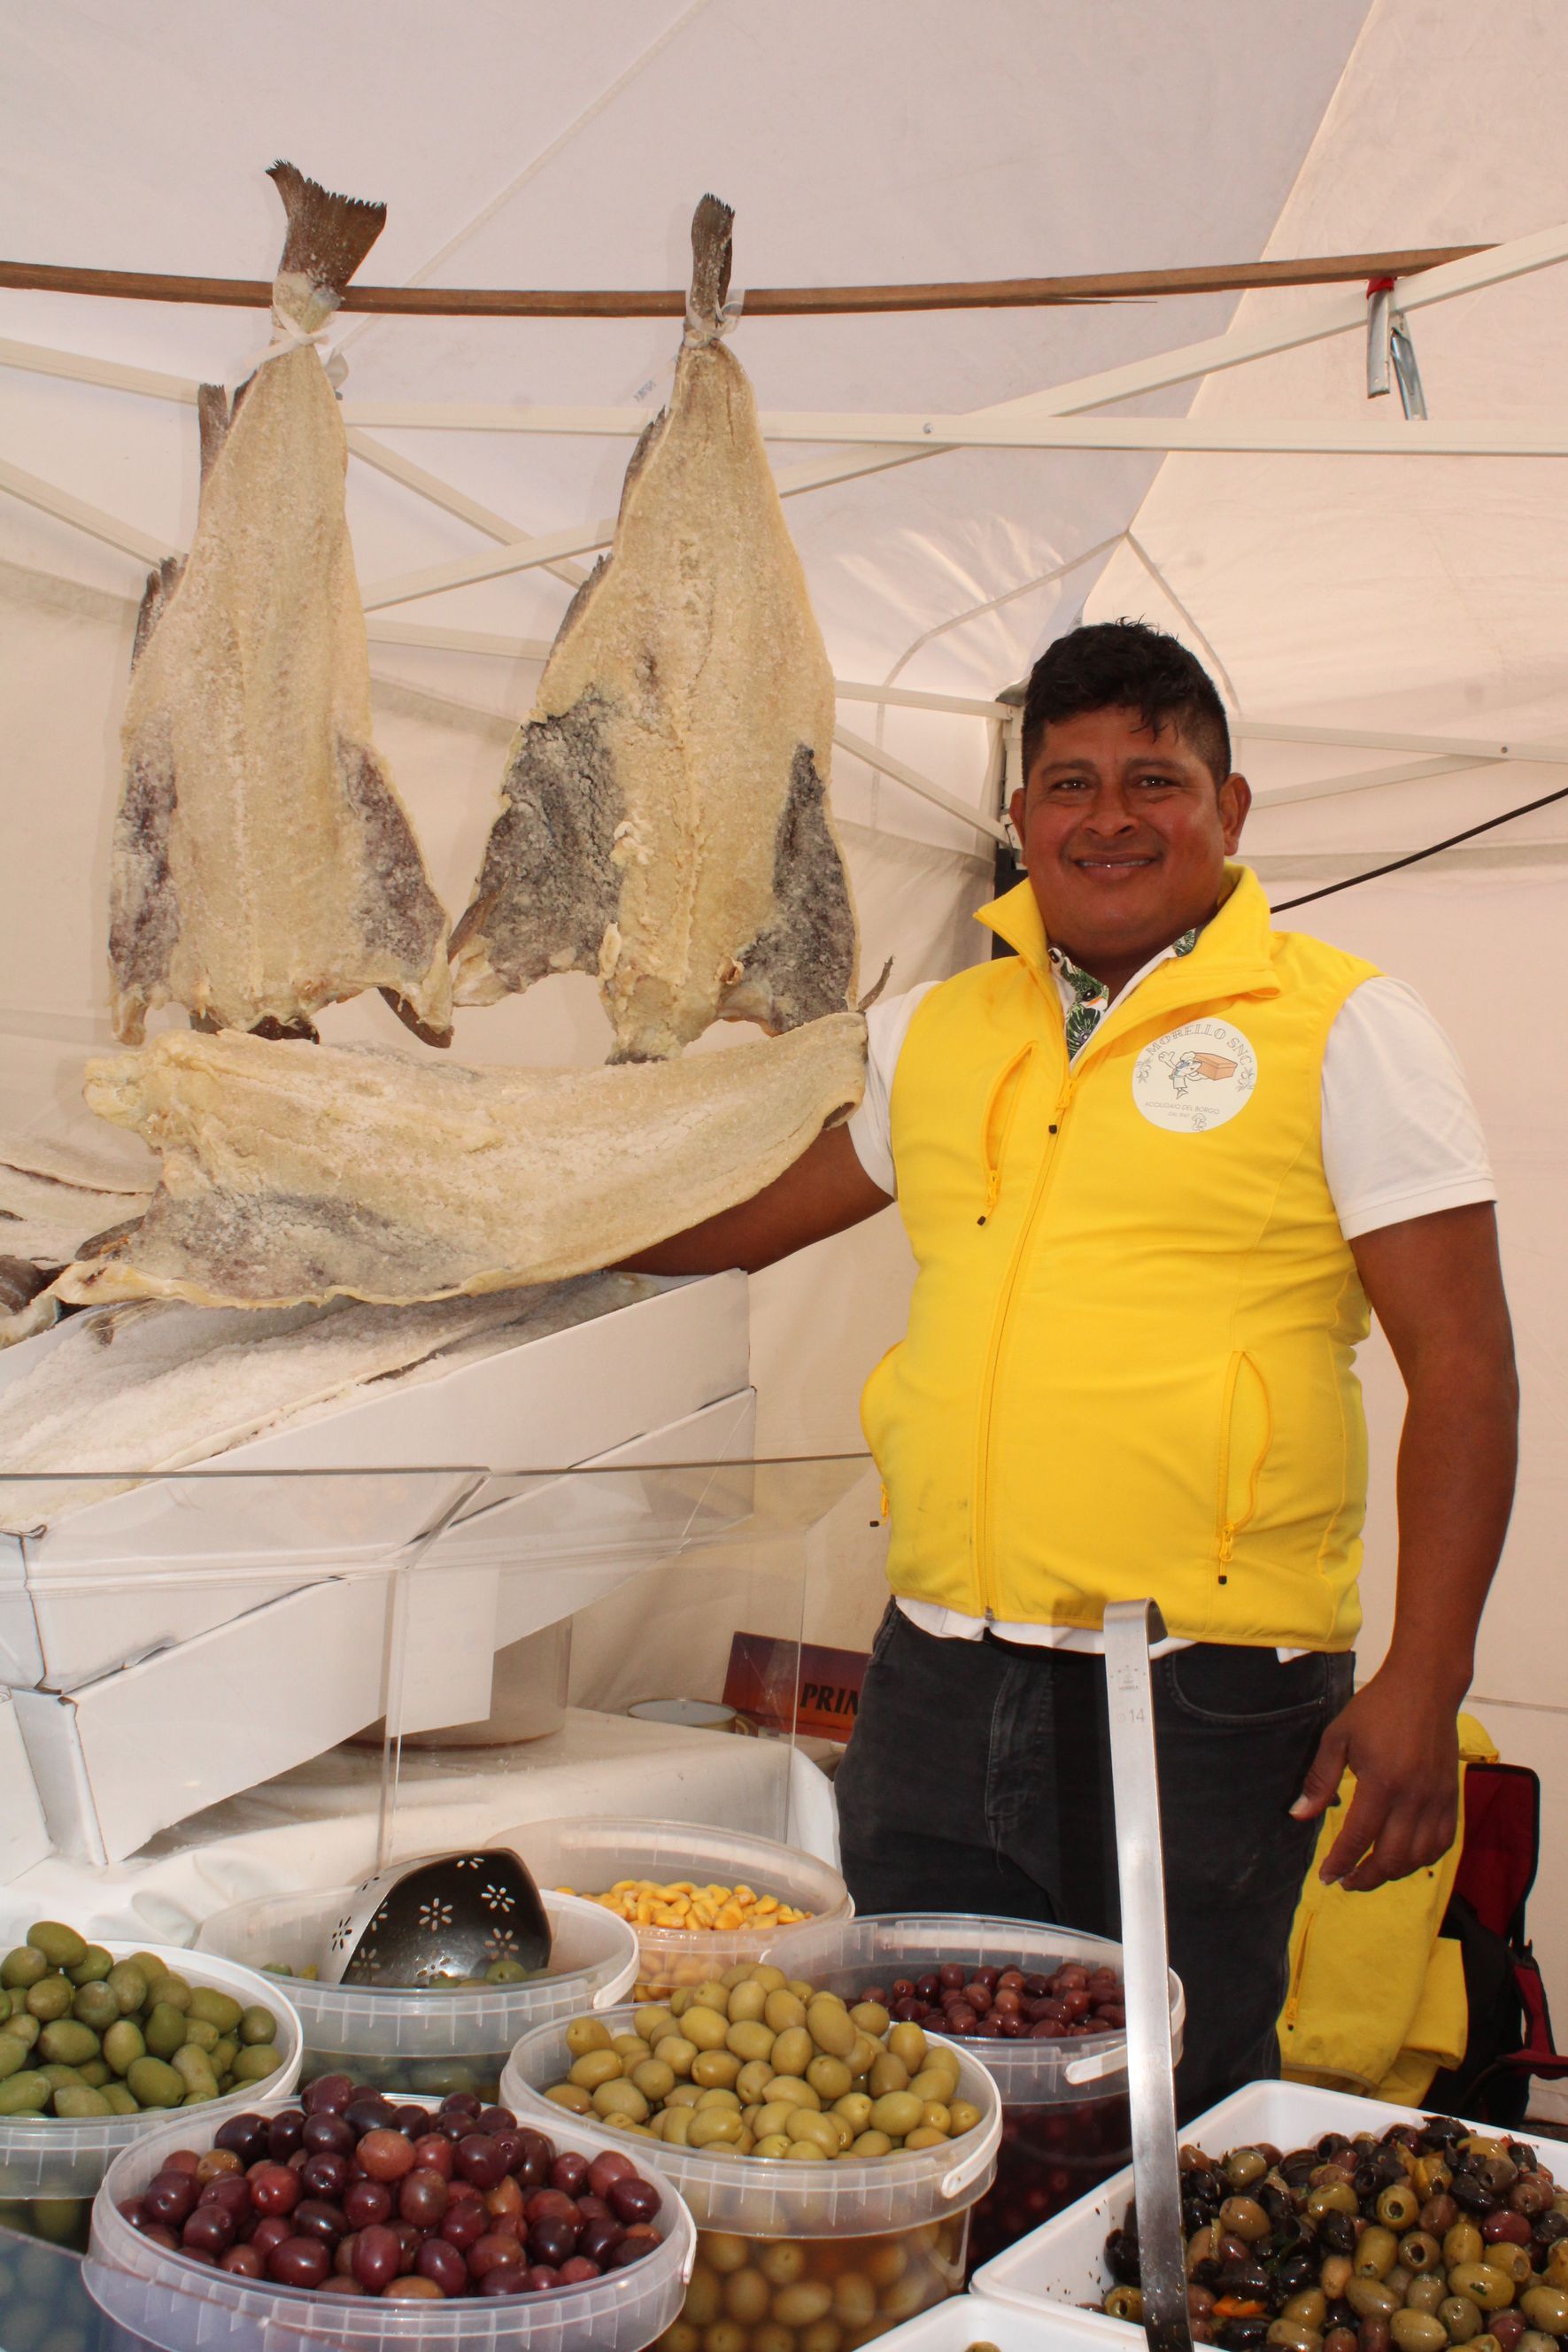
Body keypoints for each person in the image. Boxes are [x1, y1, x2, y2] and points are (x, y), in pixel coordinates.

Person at [631, 620, 1518, 2116]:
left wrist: (1428, 1678)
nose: (1110, 818)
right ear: (1021, 817)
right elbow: (730, 1222)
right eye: (1069, 783)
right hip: (934, 1671)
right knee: (902, 2083)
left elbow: (1467, 1367)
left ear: (1233, 811)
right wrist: (461, 1238)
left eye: (1155, 780)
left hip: (1202, 1691)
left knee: (1162, 2101)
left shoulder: (1343, 1025)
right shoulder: (930, 1033)